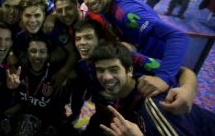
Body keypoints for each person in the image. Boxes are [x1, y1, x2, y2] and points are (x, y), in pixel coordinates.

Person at [80, 0, 190, 97]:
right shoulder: (107, 7)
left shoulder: (127, 14)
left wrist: (163, 78)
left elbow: (178, 37)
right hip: (145, 62)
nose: (90, 0)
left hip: (161, 70)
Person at [85, 42, 215, 136]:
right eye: (100, 70)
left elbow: (182, 70)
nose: (106, 77)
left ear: (129, 70)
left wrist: (189, 88)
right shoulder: (131, 86)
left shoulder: (153, 103)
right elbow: (181, 70)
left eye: (114, 70)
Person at [5, 37, 78, 136]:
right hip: (21, 115)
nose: (37, 56)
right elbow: (12, 102)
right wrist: (10, 89)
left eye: (42, 52)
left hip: (48, 119)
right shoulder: (18, 72)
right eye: (33, 51)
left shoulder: (56, 77)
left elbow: (59, 111)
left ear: (48, 55)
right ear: (27, 53)